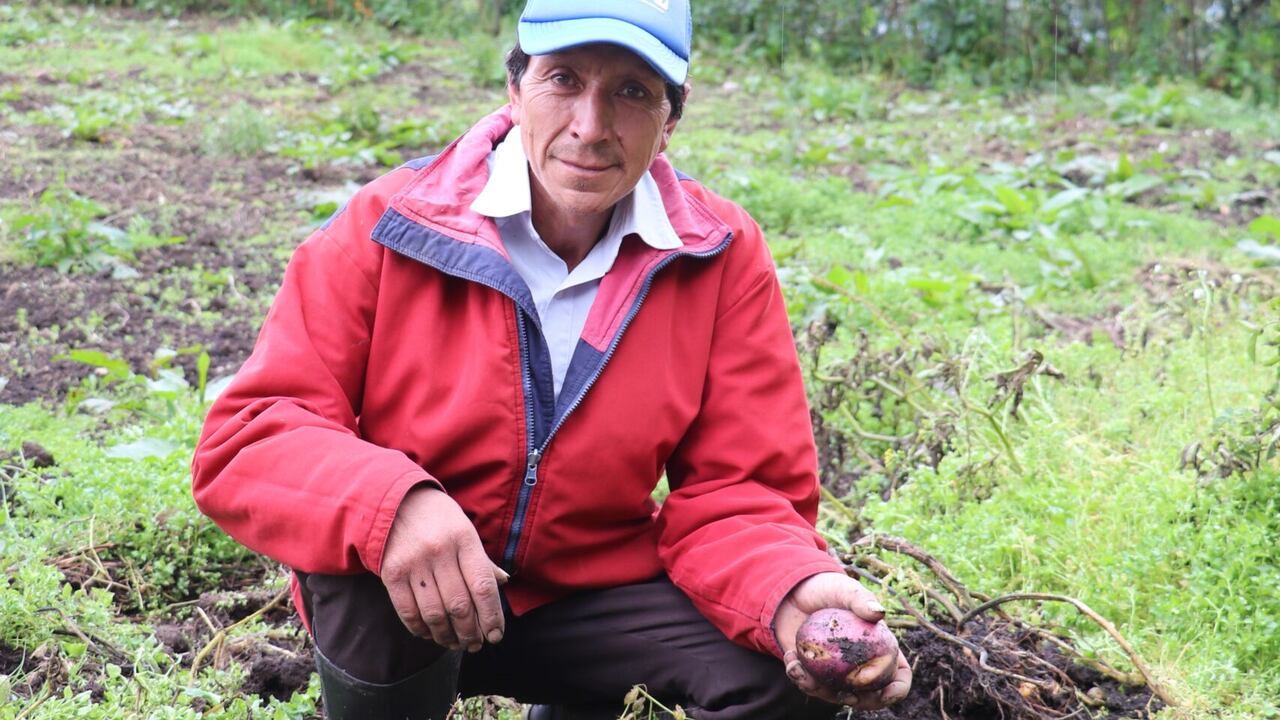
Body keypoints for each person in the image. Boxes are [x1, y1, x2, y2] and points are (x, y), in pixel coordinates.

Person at [191, 1, 912, 717]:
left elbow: (741, 486)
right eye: (563, 79)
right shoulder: (392, 224)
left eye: (632, 91)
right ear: (515, 89)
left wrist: (788, 590)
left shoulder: (716, 255)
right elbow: (253, 433)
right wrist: (396, 507)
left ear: (670, 122)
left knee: (781, 677)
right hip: (408, 598)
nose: (590, 127)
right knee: (366, 569)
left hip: (591, 597)